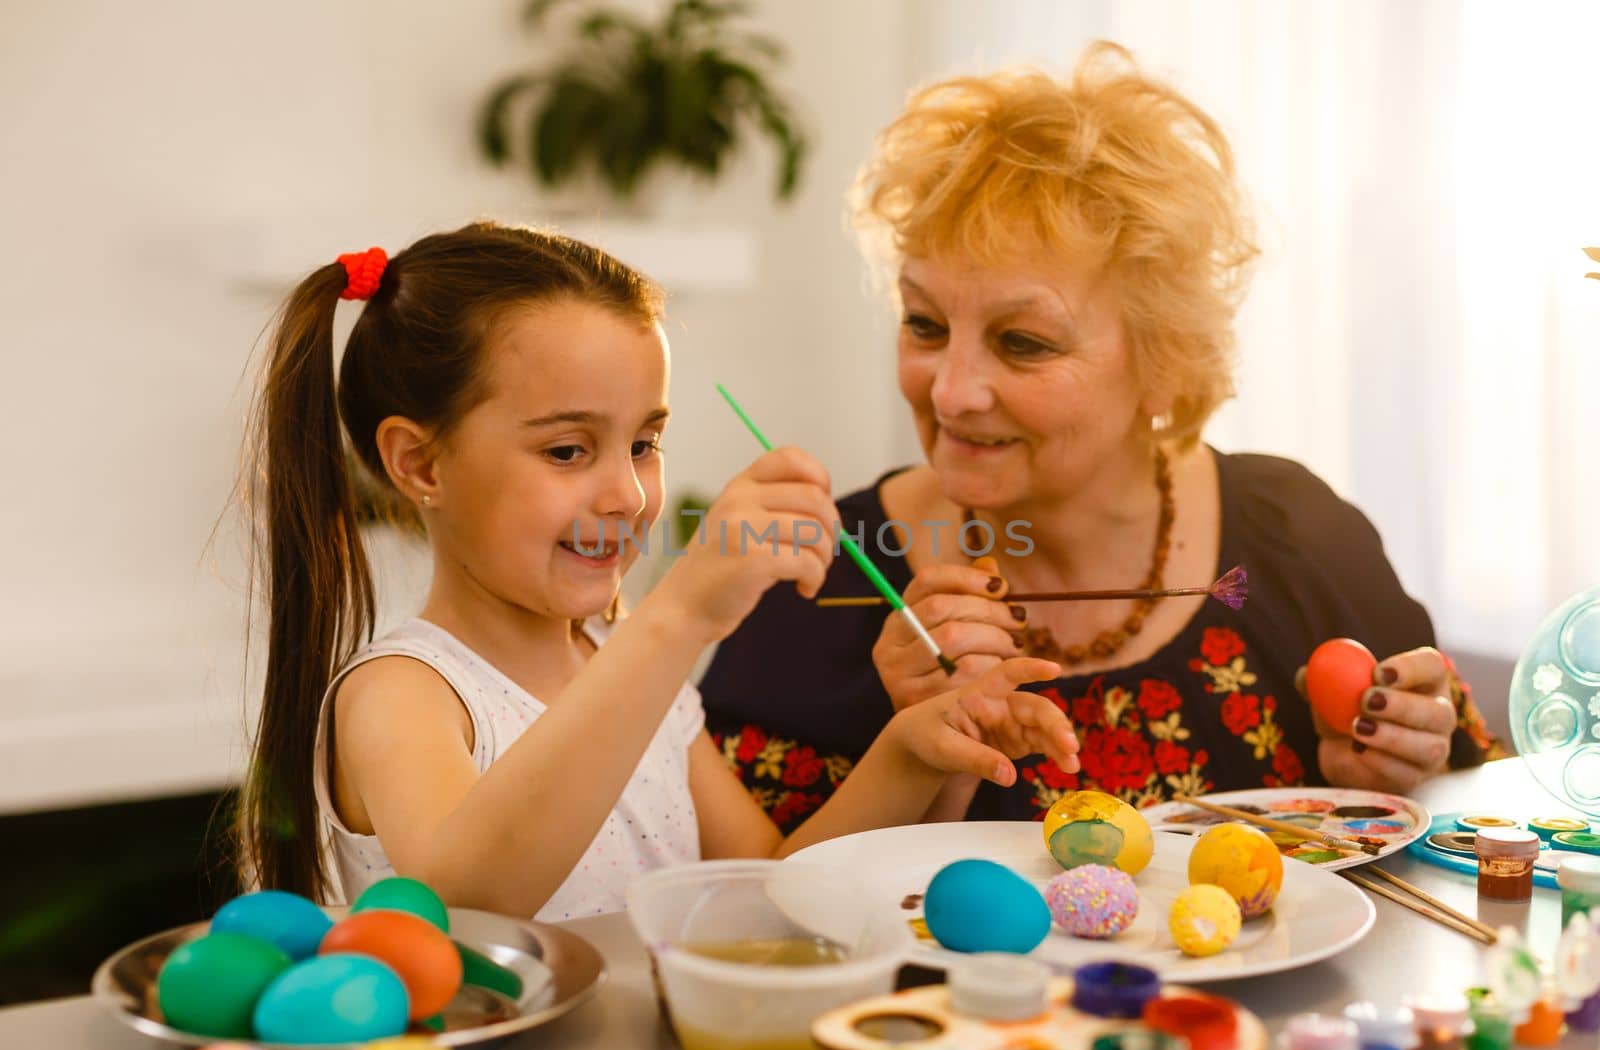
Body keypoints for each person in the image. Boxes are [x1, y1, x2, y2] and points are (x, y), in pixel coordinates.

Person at [701, 43, 1497, 831]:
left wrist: (1399, 770)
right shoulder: (827, 581)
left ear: (1164, 360)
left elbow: (1473, 813)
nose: (949, 390)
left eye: (1023, 342)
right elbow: (756, 921)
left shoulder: (1295, 535)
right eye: (925, 324)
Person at [234, 222, 1079, 921]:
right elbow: (466, 906)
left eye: (645, 442)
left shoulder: (624, 662)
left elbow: (766, 893)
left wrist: (915, 750)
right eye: (567, 449)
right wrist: (681, 616)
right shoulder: (401, 693)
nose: (630, 492)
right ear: (420, 464)